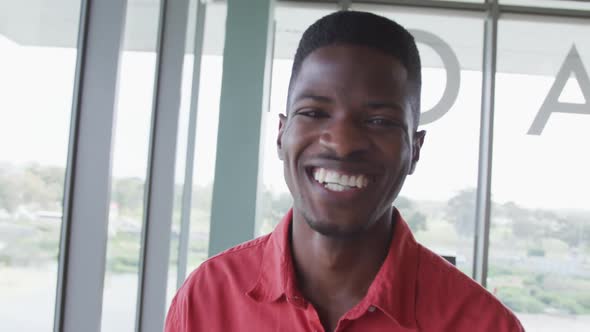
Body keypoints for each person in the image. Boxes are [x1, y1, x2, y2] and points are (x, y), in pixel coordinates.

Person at [165, 10, 524, 332]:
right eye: (314, 112)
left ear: (414, 151)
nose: (342, 143)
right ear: (281, 133)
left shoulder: (486, 325)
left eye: (379, 120)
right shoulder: (207, 297)